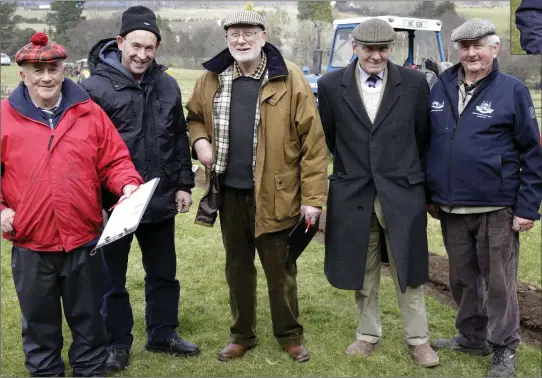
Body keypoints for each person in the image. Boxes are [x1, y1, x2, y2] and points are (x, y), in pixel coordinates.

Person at [185, 10, 327, 363]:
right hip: (229, 194)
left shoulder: (289, 78)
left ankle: (290, 335)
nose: (241, 40)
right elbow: (195, 117)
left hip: (276, 194)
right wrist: (199, 141)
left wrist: (312, 199)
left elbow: (313, 143)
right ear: (227, 39)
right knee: (237, 268)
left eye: (249, 33)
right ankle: (241, 335)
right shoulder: (212, 78)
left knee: (281, 270)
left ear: (264, 37)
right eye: (234, 34)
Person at [0, 32, 143, 377]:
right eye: (37, 70)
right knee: (39, 326)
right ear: (23, 74)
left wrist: (127, 183)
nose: (46, 77)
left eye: (53, 68)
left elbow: (114, 161)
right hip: (32, 242)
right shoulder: (3, 117)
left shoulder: (89, 113)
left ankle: (90, 371)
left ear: (65, 69)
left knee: (90, 323)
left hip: (84, 241)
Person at [80, 6, 198, 372]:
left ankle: (163, 333)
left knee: (164, 272)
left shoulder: (167, 84)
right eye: (135, 46)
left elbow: (178, 137)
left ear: (157, 47)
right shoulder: (93, 88)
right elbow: (84, 152)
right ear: (120, 42)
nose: (142, 55)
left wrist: (182, 184)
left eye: (149, 47)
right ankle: (116, 342)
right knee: (111, 279)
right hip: (114, 203)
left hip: (159, 196)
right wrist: (94, 203)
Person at [317, 18, 439, 368]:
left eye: (383, 49)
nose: (376, 56)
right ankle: (367, 334)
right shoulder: (328, 85)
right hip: (353, 193)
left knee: (409, 269)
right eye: (368, 48)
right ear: (354, 47)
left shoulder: (415, 84)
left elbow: (422, 137)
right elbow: (332, 136)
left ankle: (419, 340)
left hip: (402, 193)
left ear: (391, 49)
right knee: (363, 267)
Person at [425, 19, 542, 378]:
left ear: (495, 49)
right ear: (457, 50)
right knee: (461, 278)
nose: (471, 53)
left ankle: (504, 346)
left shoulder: (512, 91)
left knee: (499, 283)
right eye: (465, 47)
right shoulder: (440, 85)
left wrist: (527, 208)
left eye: (479, 46)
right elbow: (430, 141)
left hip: (497, 207)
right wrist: (431, 193)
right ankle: (471, 336)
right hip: (451, 206)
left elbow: (533, 153)